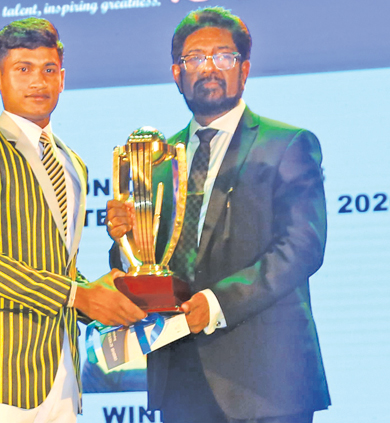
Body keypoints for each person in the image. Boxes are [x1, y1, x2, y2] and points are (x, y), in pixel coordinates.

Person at [107, 7, 330, 423]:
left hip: (267, 384)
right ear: (177, 73)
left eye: (223, 56)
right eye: (195, 58)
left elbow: (302, 248)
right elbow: (151, 264)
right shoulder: (156, 158)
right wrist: (124, 244)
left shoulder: (288, 144)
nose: (209, 67)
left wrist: (216, 302)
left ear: (244, 70)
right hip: (181, 379)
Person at [0, 18, 145, 423]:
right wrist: (78, 295)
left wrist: (103, 293)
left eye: (49, 70)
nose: (38, 81)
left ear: (63, 78)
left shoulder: (73, 162)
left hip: (63, 372)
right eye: (23, 69)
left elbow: (59, 269)